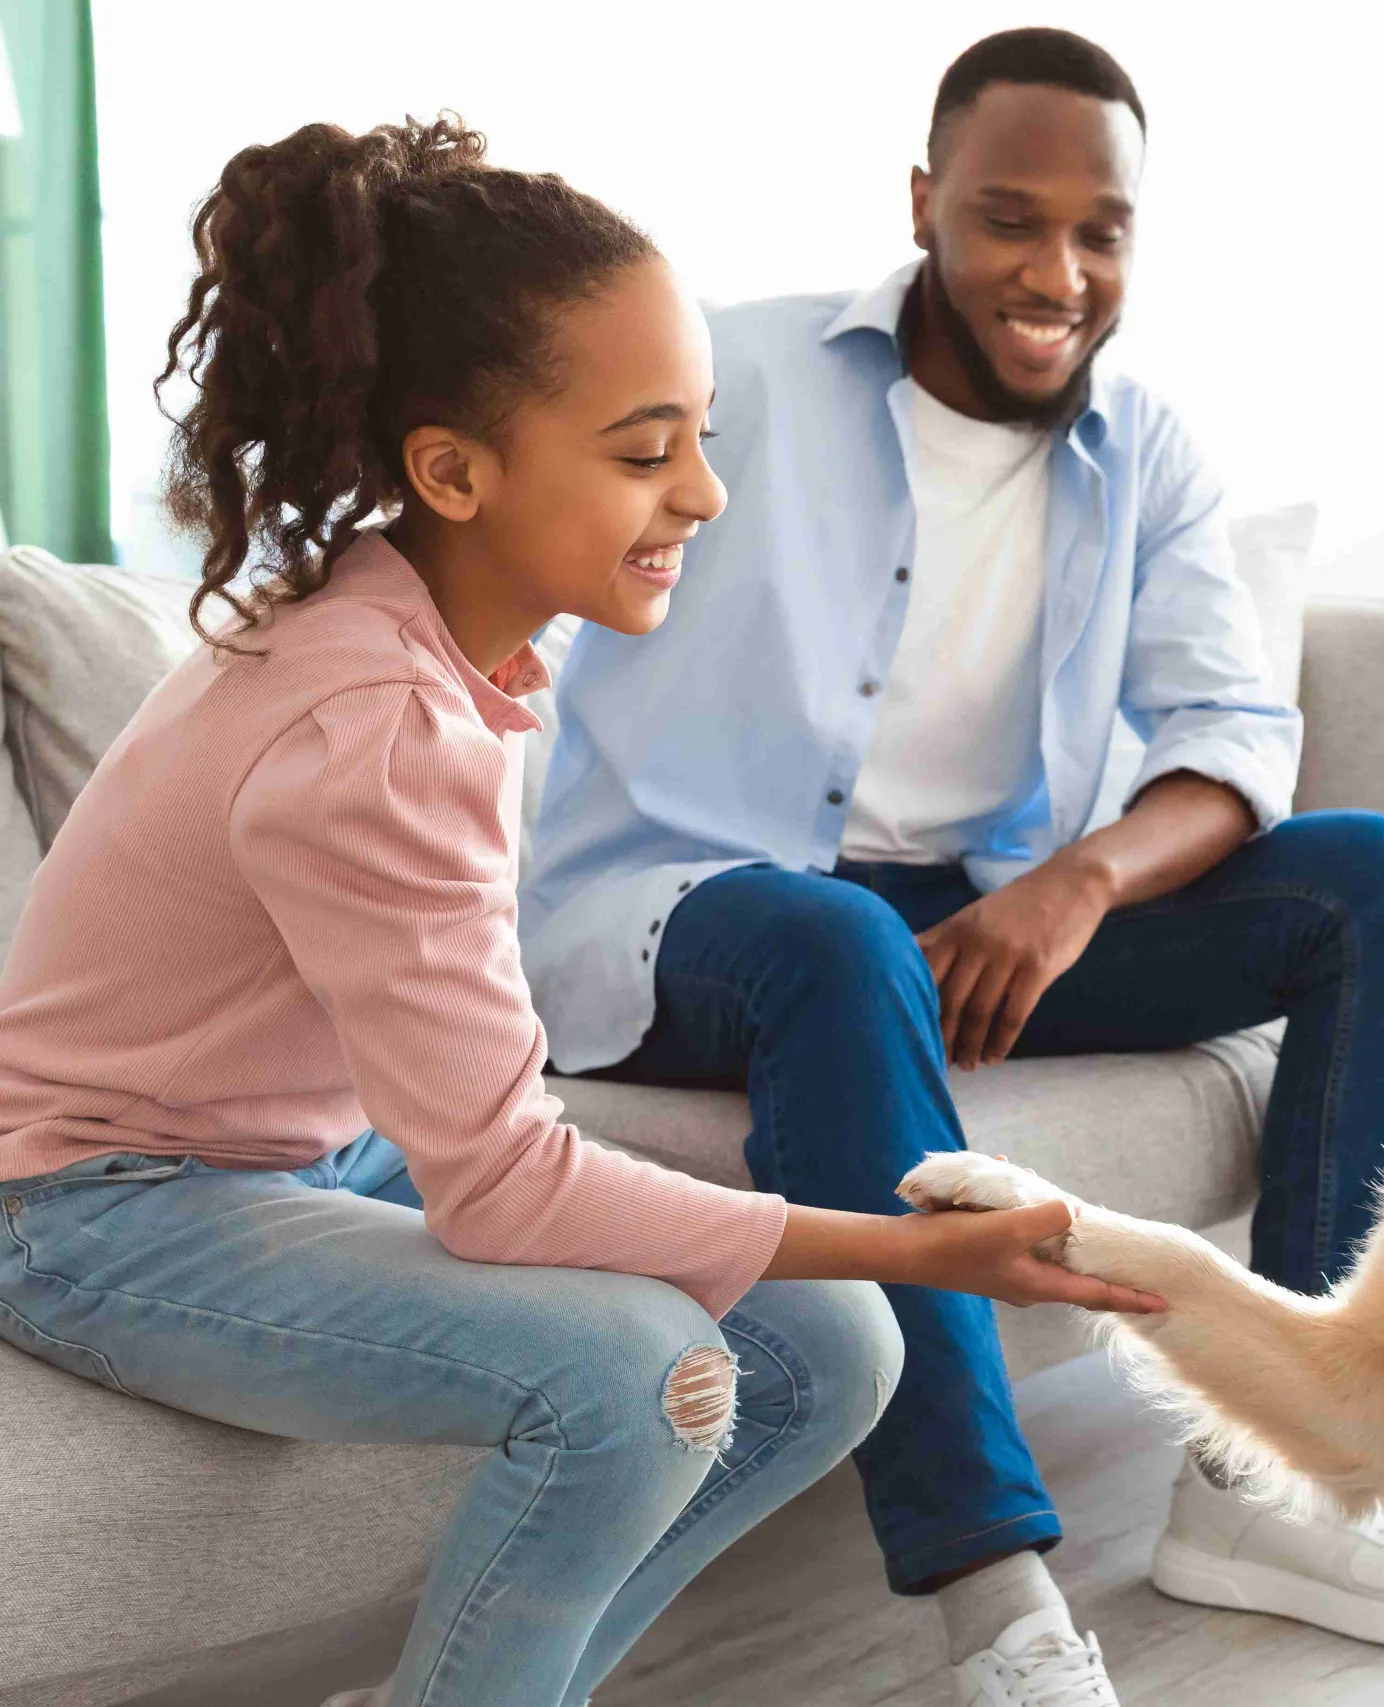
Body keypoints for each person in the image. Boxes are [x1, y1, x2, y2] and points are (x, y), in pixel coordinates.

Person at [0, 117, 1153, 1707]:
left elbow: (479, 1126)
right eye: (642, 450)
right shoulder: (370, 726)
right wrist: (917, 1242)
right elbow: (505, 1192)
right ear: (452, 470)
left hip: (286, 1146)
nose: (707, 490)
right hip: (84, 1203)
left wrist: (877, 1275)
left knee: (839, 1351)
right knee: (637, 1376)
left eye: (698, 432)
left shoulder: (436, 634)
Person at [522, 28, 1384, 1706]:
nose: (1056, 271)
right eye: (1009, 218)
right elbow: (533, 545)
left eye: (1101, 231)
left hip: (976, 915)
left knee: (1378, 879)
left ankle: (1273, 1481)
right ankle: (991, 1590)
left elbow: (1231, 735)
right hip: (686, 915)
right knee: (833, 939)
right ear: (923, 204)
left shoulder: (1150, 449)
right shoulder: (736, 376)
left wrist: (1078, 885)